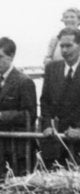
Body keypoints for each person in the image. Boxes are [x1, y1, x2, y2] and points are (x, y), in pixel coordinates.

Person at [0, 36, 37, 178]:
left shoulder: (24, 81)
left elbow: (30, 114)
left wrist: (1, 116)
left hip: (18, 146)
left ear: (11, 56)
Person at [39, 27, 80, 167]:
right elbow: (45, 101)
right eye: (61, 46)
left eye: (69, 46)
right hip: (55, 142)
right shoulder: (52, 68)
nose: (64, 50)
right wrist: (46, 125)